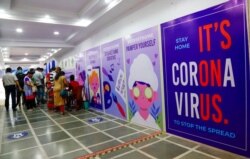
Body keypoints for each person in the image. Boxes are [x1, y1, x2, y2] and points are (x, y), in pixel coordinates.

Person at [128, 54, 160, 130]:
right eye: (137, 91)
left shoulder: (154, 123)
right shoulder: (134, 119)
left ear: (155, 95)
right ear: (132, 93)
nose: (142, 96)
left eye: (147, 92)